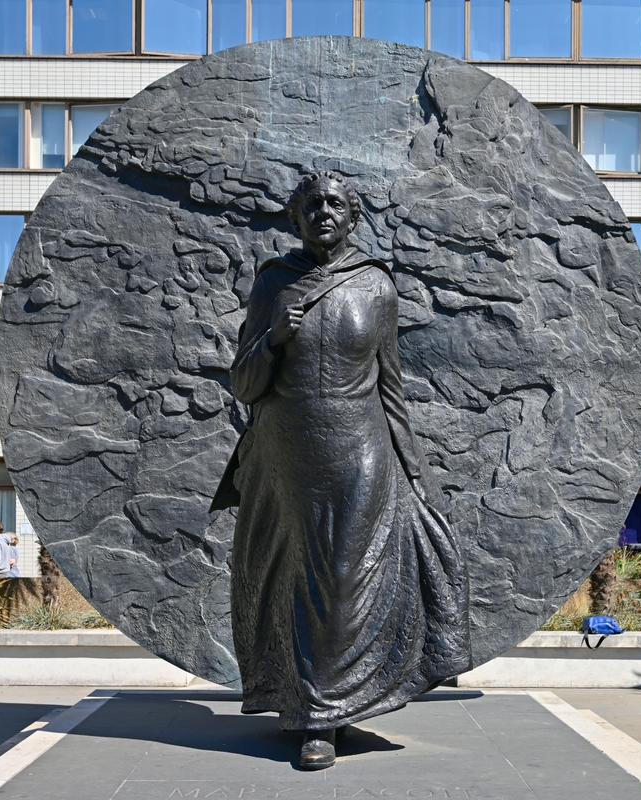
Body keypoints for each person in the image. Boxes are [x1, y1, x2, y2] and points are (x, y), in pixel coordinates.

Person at [211, 171, 471, 771]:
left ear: (352, 217)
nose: (324, 212)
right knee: (296, 580)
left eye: (335, 204)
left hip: (360, 450)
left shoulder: (376, 286)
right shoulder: (273, 283)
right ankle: (312, 719)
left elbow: (392, 388)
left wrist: (418, 476)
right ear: (295, 218)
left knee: (347, 575)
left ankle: (335, 708)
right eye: (311, 205)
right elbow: (244, 385)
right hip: (285, 455)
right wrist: (273, 339)